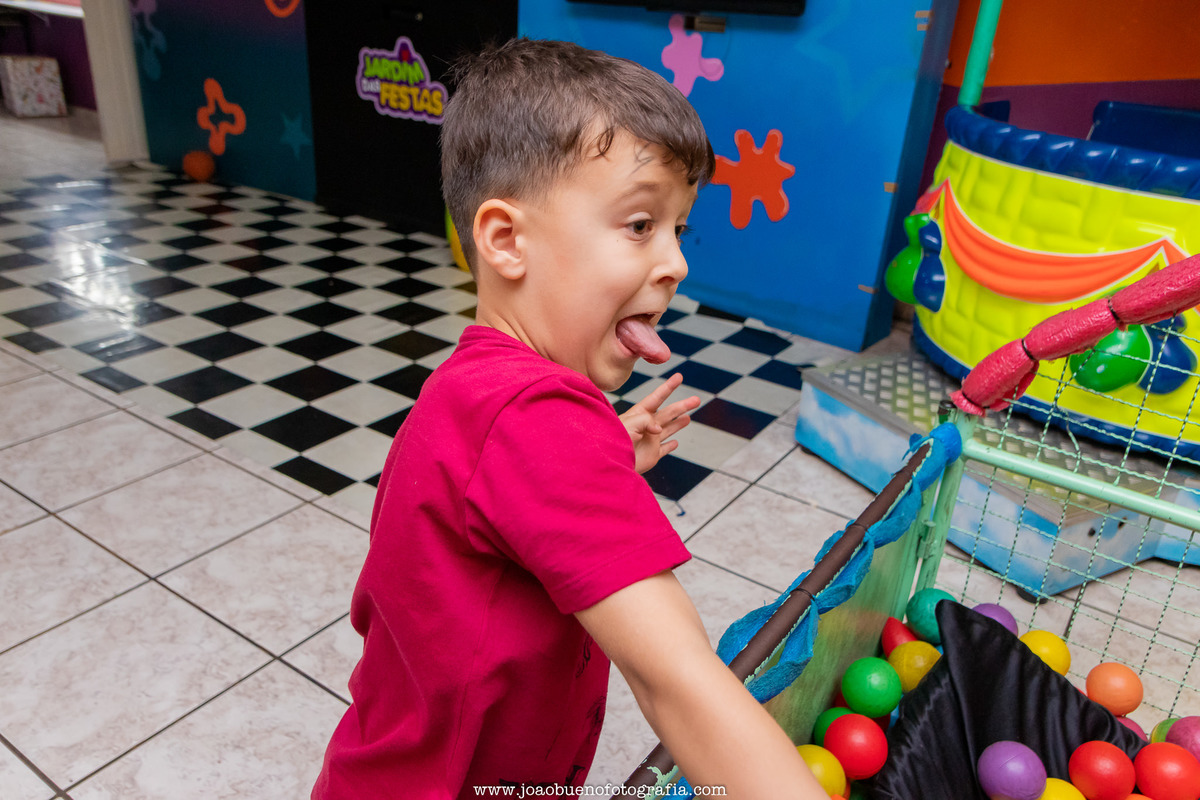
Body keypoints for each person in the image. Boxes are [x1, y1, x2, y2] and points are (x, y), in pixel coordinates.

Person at [312, 37, 825, 799]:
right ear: (506, 240)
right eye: (640, 224)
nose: (677, 262)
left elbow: (477, 504)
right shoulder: (542, 419)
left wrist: (606, 451)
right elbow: (673, 677)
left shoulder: (474, 387)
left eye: (680, 229)